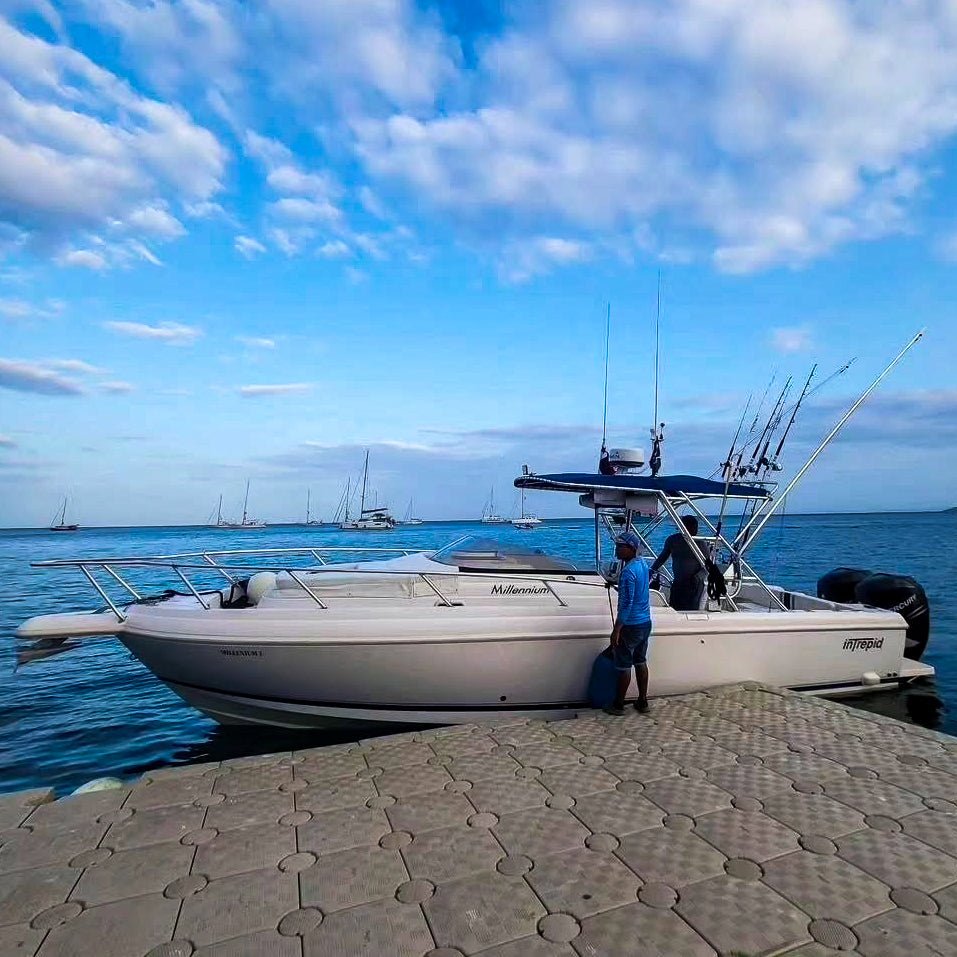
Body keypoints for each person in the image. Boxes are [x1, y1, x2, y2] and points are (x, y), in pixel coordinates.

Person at [605, 531, 652, 716]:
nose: (616, 550)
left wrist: (617, 630)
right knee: (640, 661)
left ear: (631, 548)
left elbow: (626, 604)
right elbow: (637, 592)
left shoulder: (627, 572)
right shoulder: (643, 564)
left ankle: (618, 705)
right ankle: (643, 701)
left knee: (623, 666)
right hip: (645, 623)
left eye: (620, 546)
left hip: (630, 625)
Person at [649, 515, 707, 611]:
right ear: (682, 527)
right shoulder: (673, 540)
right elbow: (662, 557)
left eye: (696, 527)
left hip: (694, 584)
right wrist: (652, 570)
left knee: (691, 610)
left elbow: (707, 565)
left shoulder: (700, 542)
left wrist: (697, 577)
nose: (695, 530)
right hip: (678, 582)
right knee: (674, 607)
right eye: (691, 527)